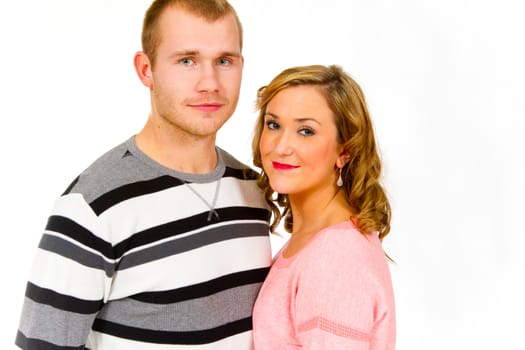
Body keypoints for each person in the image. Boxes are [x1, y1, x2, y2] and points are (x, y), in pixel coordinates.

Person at [15, 1, 272, 349]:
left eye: (224, 61)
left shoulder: (254, 190)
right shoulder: (94, 205)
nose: (210, 82)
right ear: (145, 69)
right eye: (187, 61)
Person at [251, 64, 396, 349]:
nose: (281, 146)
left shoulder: (336, 254)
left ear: (345, 151)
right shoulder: (315, 240)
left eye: (306, 131)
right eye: (273, 125)